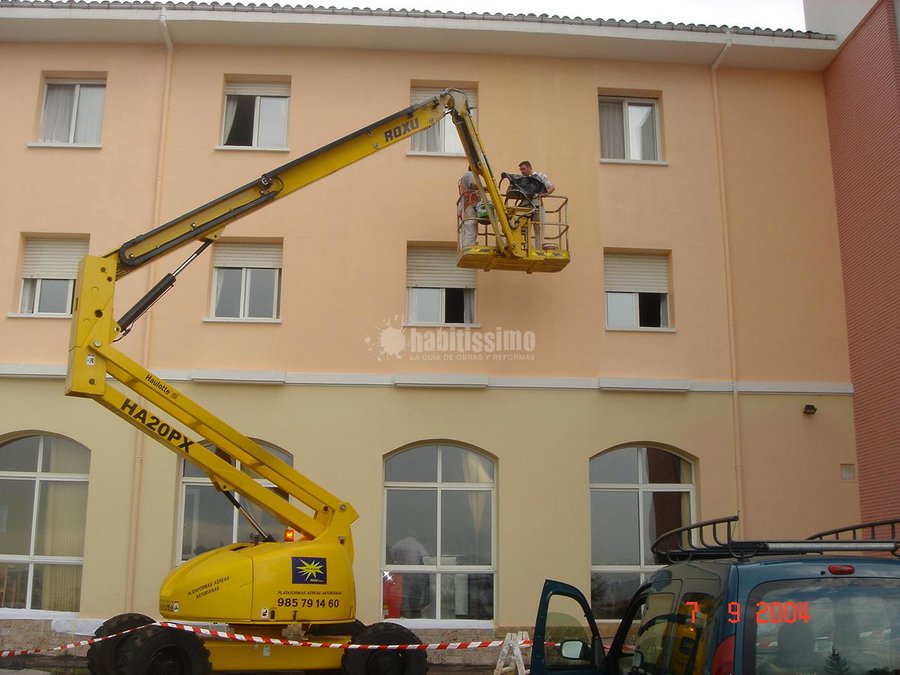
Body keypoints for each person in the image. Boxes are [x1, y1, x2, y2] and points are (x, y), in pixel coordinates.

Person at [518, 160, 555, 250]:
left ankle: (538, 249)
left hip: (536, 203)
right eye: (520, 170)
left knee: (539, 227)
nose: (522, 171)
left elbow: (551, 187)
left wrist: (544, 195)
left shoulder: (539, 176)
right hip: (525, 205)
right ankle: (525, 248)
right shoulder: (521, 180)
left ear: (530, 167)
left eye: (523, 169)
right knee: (523, 228)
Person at [457, 170, 481, 247]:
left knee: (466, 227)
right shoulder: (470, 174)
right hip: (469, 204)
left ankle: (464, 247)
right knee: (471, 224)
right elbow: (473, 185)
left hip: (466, 204)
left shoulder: (465, 176)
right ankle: (468, 247)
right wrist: (486, 188)